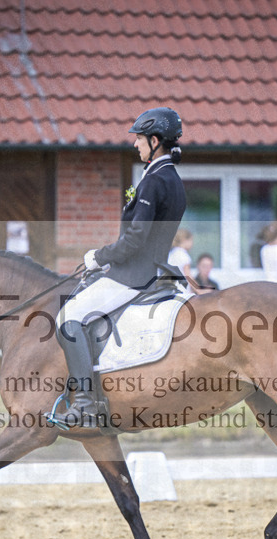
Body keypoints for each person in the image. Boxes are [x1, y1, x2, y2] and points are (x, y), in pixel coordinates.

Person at [54, 106, 186, 426]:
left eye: (139, 139)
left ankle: (85, 402)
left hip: (135, 275)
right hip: (149, 269)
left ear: (155, 141)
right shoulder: (168, 177)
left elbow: (136, 239)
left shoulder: (155, 180)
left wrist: (98, 257)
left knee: (68, 317)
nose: (135, 144)